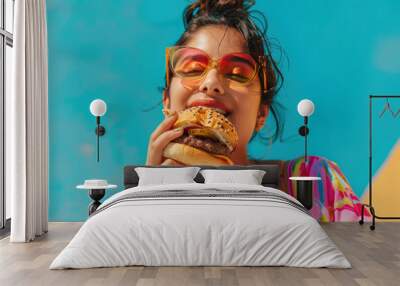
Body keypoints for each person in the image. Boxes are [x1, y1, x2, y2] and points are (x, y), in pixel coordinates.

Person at [146, 0, 283, 166]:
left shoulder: (309, 178)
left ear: (261, 114)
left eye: (237, 74)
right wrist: (150, 187)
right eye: (193, 70)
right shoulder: (137, 187)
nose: (211, 83)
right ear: (166, 102)